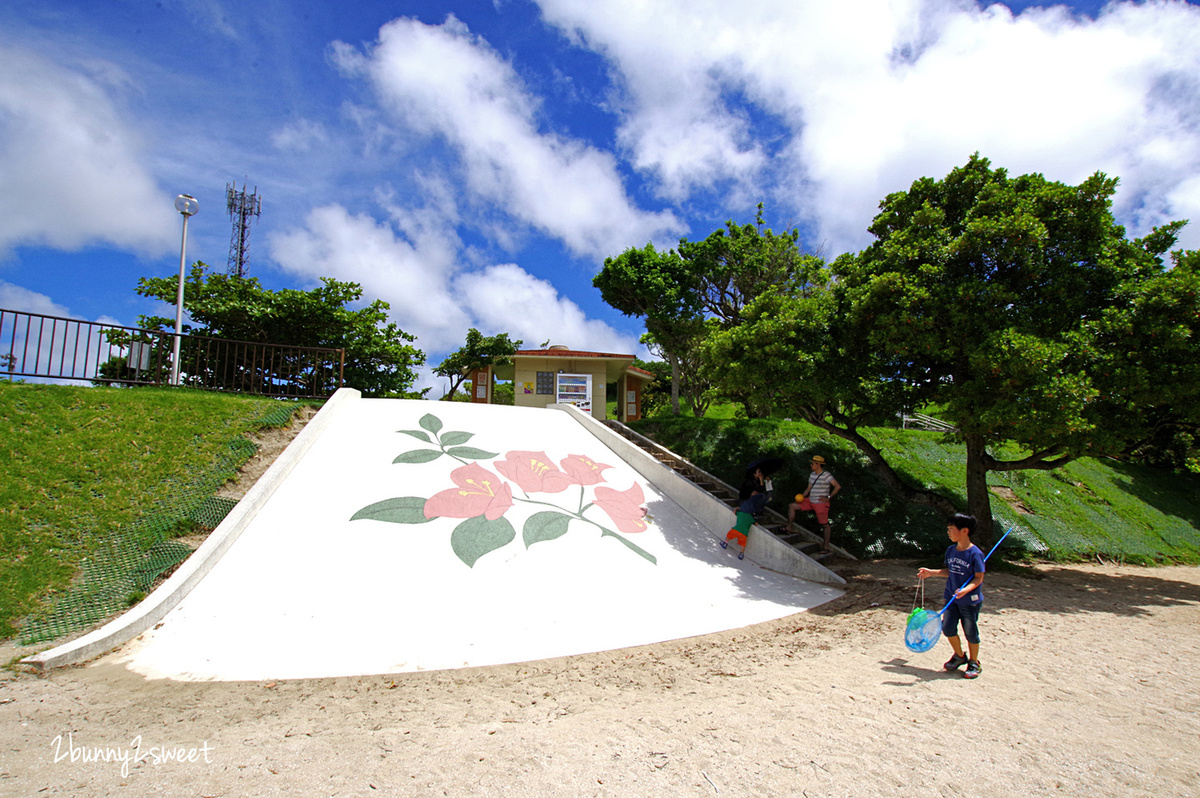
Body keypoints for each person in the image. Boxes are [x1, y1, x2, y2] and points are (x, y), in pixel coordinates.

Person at [917, 513, 987, 679]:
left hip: (969, 601)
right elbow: (950, 571)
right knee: (948, 629)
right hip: (951, 598)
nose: (948, 532)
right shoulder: (951, 550)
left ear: (964, 531)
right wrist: (930, 573)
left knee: (970, 631)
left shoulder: (975, 554)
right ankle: (959, 656)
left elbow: (978, 577)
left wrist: (966, 590)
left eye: (951, 529)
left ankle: (974, 662)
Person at [787, 455, 840, 554]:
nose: (811, 465)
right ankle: (789, 527)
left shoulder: (826, 475)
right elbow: (808, 488)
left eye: (812, 463)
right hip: (810, 500)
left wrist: (828, 497)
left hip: (821, 503)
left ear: (818, 464)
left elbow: (837, 486)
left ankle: (826, 546)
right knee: (792, 506)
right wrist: (801, 497)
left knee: (825, 525)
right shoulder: (812, 475)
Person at [723, 467, 769, 559]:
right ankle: (738, 551)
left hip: (749, 507)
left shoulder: (756, 481)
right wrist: (761, 481)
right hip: (746, 503)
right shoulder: (749, 482)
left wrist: (764, 481)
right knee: (762, 496)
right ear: (754, 474)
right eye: (758, 472)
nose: (760, 474)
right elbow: (756, 492)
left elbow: (762, 490)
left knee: (765, 496)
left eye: (760, 472)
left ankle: (735, 549)